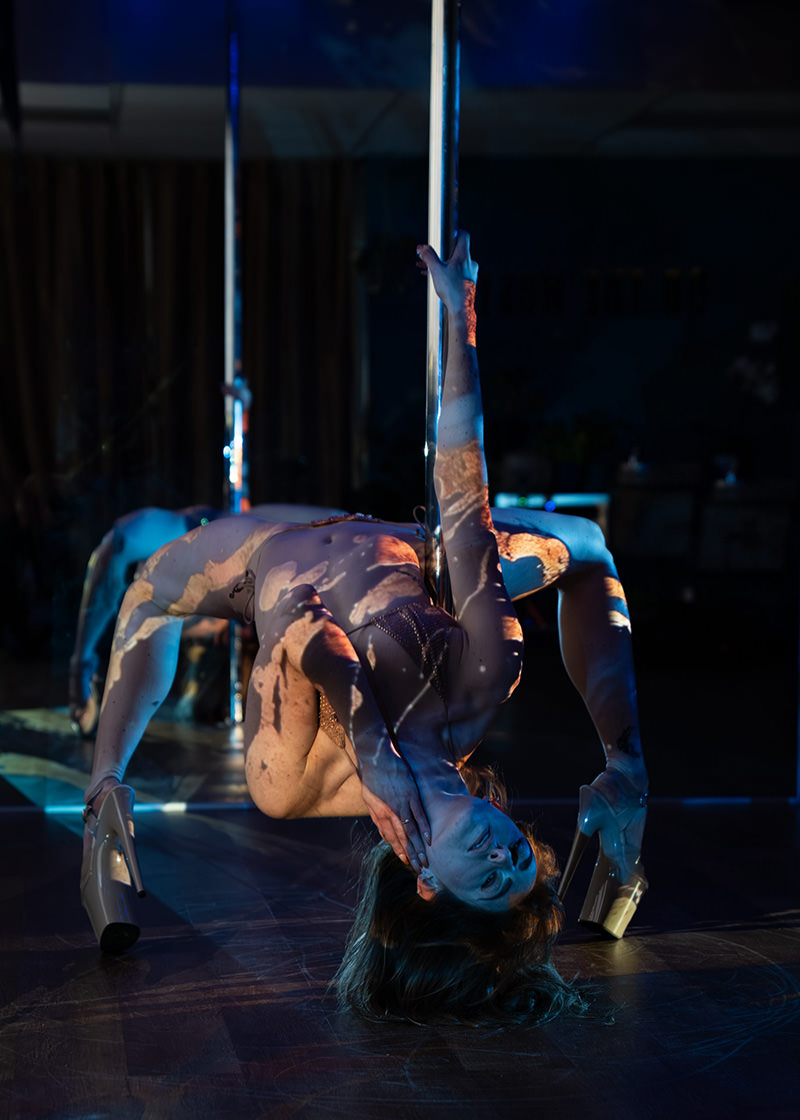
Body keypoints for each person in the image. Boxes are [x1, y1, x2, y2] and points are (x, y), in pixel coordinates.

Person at [81, 234, 648, 1026]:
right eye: (519, 855)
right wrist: (460, 321)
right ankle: (629, 768)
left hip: (270, 558)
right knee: (585, 549)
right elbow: (462, 503)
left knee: (145, 591)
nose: (502, 853)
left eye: (489, 878)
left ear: (428, 882)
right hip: (408, 549)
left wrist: (373, 747)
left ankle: (102, 794)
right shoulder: (485, 683)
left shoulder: (289, 786)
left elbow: (302, 623)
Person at [69, 503, 347, 735]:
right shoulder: (241, 559)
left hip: (216, 548)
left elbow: (121, 541)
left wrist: (82, 664)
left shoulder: (174, 601)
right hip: (235, 542)